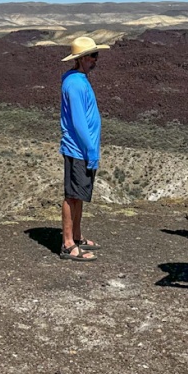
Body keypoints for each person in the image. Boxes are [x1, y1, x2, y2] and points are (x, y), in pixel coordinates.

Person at [58, 36, 109, 261]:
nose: (96, 60)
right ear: (82, 58)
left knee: (78, 195)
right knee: (73, 196)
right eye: (93, 55)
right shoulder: (76, 83)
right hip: (78, 149)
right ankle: (68, 244)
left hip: (81, 148)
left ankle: (76, 236)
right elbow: (79, 122)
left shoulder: (75, 78)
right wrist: (91, 151)